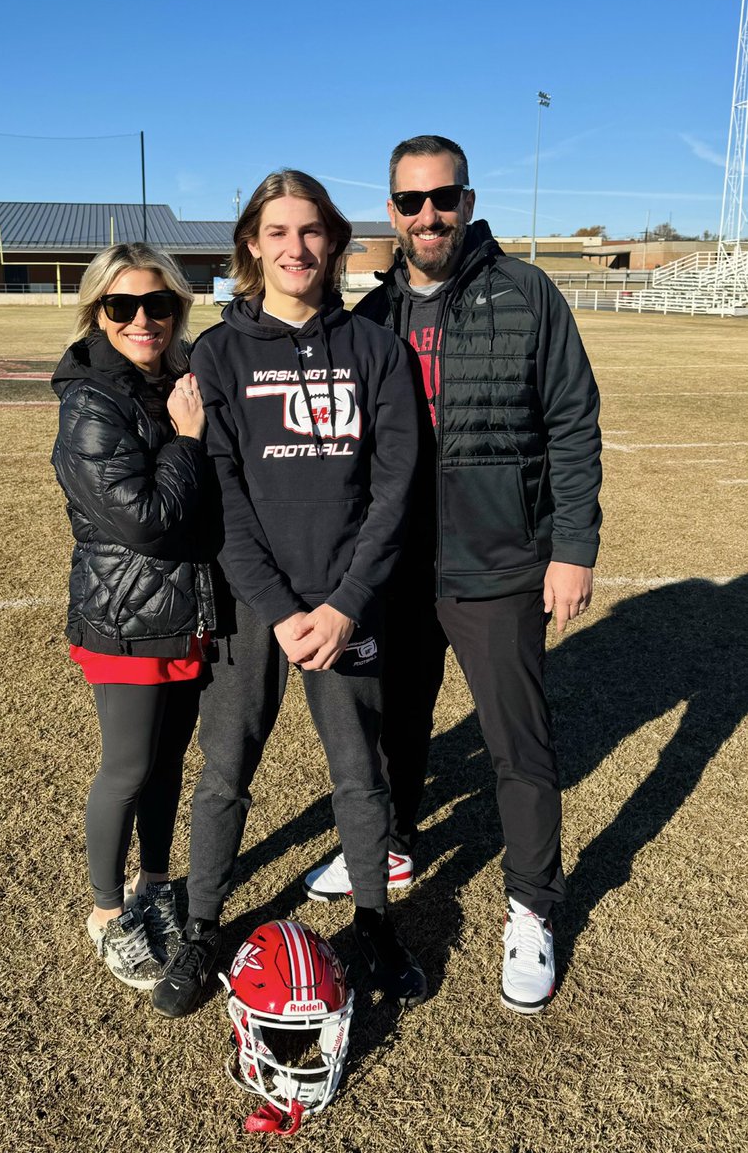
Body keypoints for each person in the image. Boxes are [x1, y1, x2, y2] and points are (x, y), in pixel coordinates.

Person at [304, 136, 602, 1015]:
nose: (428, 215)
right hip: (395, 567)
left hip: (500, 561)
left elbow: (574, 422)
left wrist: (573, 546)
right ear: (390, 212)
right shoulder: (367, 317)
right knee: (397, 724)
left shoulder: (527, 294)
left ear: (469, 200)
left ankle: (533, 907)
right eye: (410, 202)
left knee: (520, 743)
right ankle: (393, 844)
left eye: (445, 198)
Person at [151, 170, 427, 1018]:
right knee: (225, 772)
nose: (295, 248)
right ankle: (203, 927)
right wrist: (279, 608)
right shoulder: (219, 355)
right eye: (277, 232)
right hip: (251, 609)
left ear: (334, 243)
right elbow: (220, 495)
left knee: (360, 776)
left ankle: (375, 923)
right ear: (250, 245)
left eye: (311, 232)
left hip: (350, 608)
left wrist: (344, 605)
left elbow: (397, 486)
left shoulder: (374, 350)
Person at [51, 242, 214, 990]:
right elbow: (146, 521)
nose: (143, 319)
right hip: (126, 616)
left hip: (180, 609)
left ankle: (155, 886)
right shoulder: (92, 402)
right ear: (97, 313)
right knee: (126, 768)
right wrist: (186, 440)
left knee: (167, 763)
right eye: (123, 306)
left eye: (158, 305)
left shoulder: (175, 381)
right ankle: (107, 913)